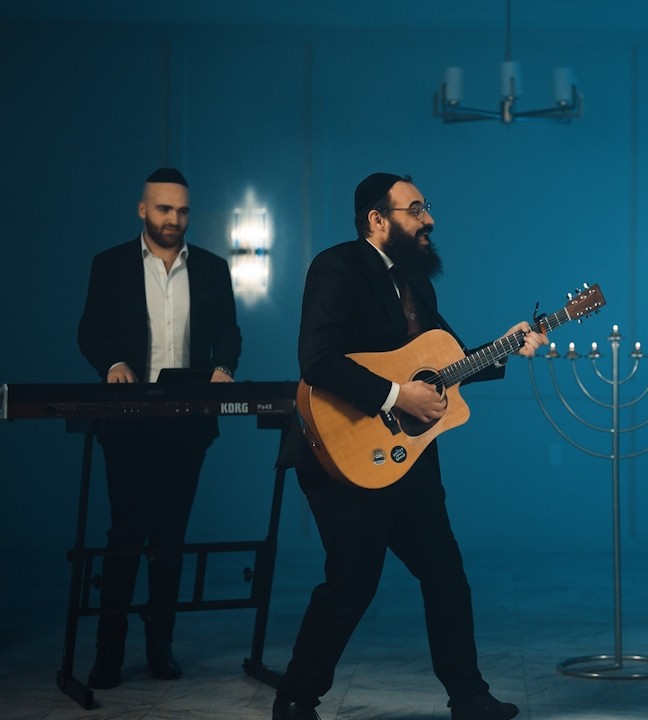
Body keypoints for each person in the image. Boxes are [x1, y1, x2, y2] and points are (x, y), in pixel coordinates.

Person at [272, 173, 546, 720]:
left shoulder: (416, 283)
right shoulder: (336, 267)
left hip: (409, 459)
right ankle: (296, 699)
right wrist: (398, 396)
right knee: (352, 582)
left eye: (426, 208)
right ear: (378, 219)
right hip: (341, 454)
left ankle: (468, 696)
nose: (429, 220)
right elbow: (317, 360)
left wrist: (507, 346)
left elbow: (446, 368)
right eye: (416, 210)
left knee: (446, 574)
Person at [77, 167, 242, 688]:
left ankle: (159, 649)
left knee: (171, 536)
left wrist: (224, 367)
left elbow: (229, 333)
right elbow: (89, 332)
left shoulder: (212, 268)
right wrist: (112, 364)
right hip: (127, 421)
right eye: (165, 209)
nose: (174, 219)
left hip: (188, 423)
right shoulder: (109, 265)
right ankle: (108, 652)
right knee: (125, 534)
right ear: (142, 209)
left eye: (183, 210)